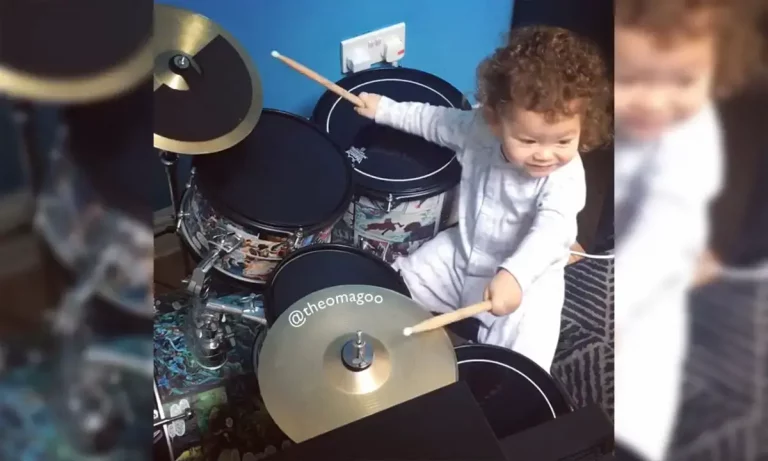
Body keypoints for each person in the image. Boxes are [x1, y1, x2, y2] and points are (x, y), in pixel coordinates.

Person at [355, 25, 612, 372]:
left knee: (519, 367)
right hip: (463, 252)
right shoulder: (476, 128)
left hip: (528, 283)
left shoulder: (564, 177)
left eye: (563, 141)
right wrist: (384, 109)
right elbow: (434, 120)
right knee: (395, 287)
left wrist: (516, 275)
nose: (545, 155)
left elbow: (553, 230)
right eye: (529, 140)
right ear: (495, 118)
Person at [613, 0, 763, 459]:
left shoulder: (691, 138)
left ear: (718, 70)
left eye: (684, 81)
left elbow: (663, 235)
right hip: (614, 256)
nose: (656, 103)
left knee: (635, 409)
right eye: (631, 79)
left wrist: (618, 306)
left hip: (649, 296)